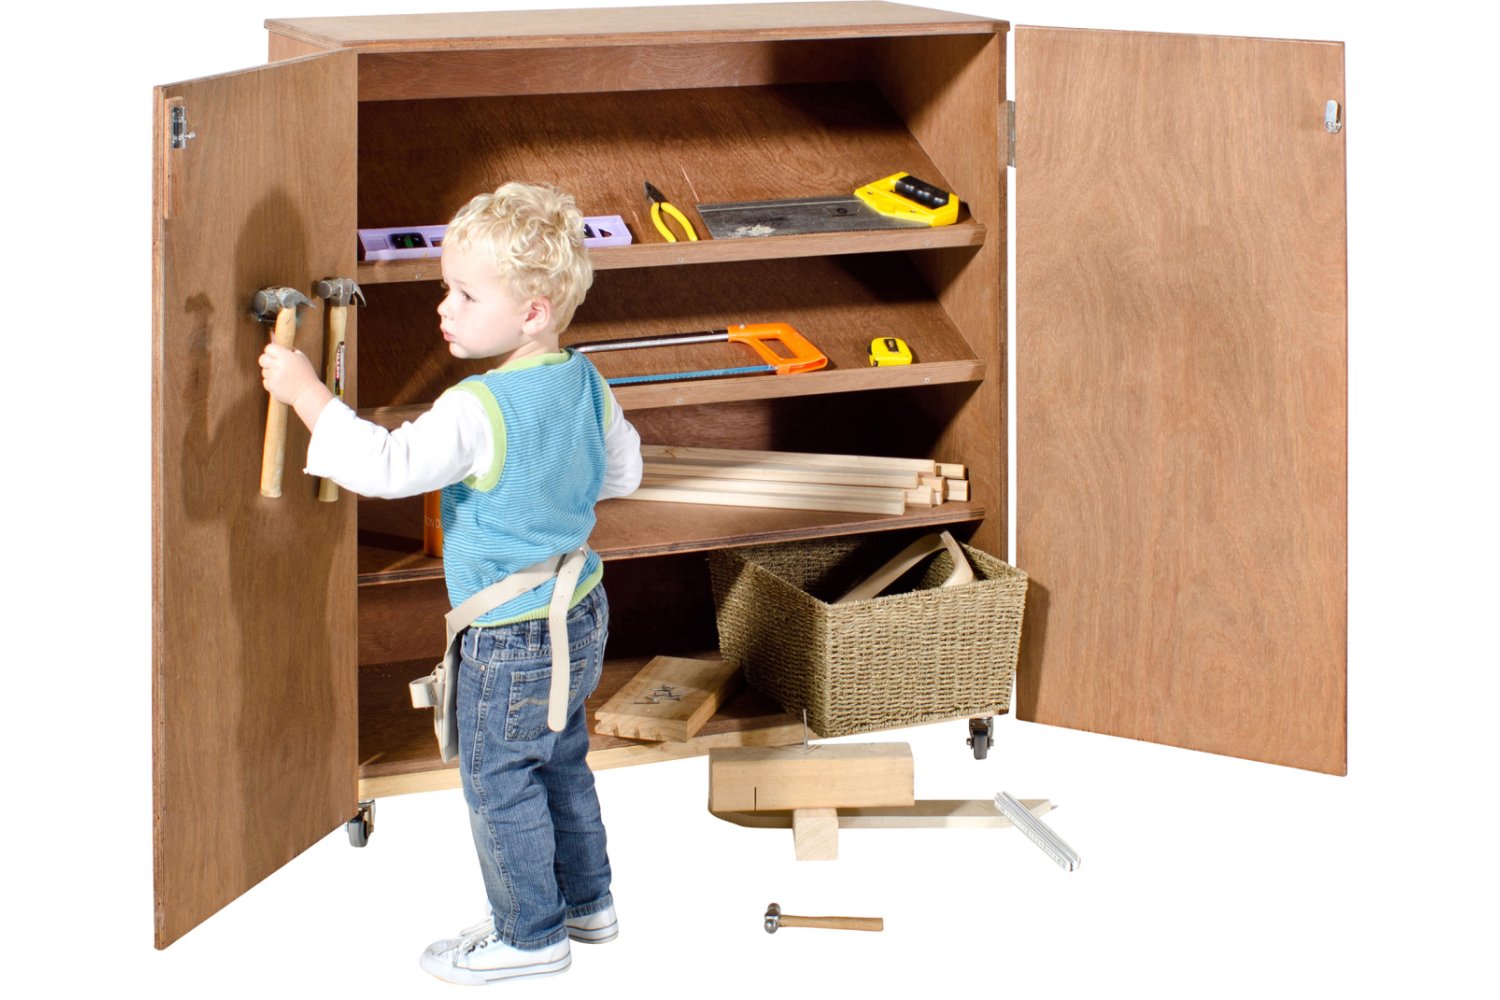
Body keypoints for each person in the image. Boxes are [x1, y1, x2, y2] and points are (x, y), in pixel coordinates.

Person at [260, 181, 642, 985]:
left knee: (499, 781)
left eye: (466, 294)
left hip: (507, 633)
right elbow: (623, 472)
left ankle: (530, 935)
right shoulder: (586, 379)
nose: (445, 306)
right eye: (446, 287)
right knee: (561, 757)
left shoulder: (478, 406)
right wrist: (545, 494)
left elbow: (387, 467)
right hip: (580, 609)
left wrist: (306, 392)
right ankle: (587, 901)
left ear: (532, 311)